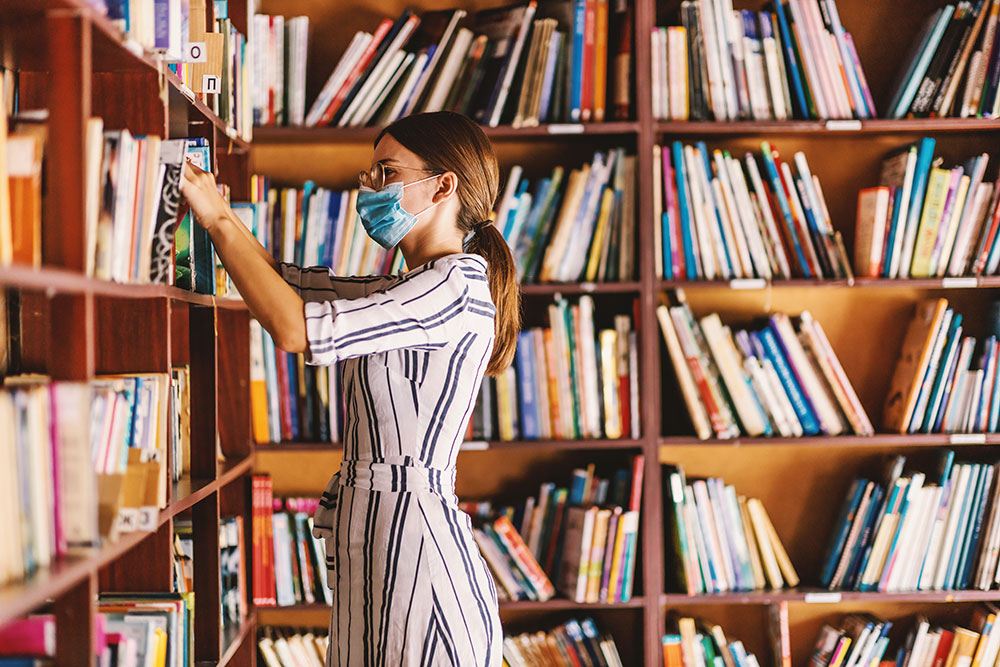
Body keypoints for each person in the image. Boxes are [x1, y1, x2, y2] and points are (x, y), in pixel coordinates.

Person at [180, 111, 519, 666]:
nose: (369, 188)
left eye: (386, 172)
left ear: (443, 185)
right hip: (380, 539)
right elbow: (280, 282)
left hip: (416, 555)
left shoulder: (454, 287)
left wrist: (216, 216)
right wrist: (208, 197)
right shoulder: (406, 285)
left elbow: (294, 329)